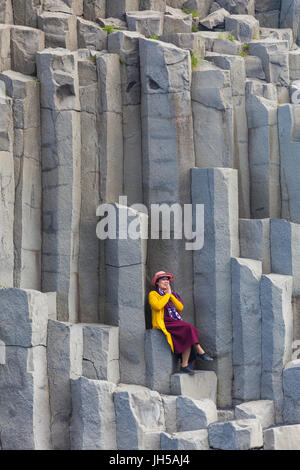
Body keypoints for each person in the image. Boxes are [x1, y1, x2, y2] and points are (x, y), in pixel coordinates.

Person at [148, 270, 213, 375]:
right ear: (157, 282)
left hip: (175, 321)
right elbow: (157, 306)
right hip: (164, 322)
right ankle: (200, 352)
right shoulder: (153, 294)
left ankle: (185, 365)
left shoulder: (173, 294)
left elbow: (180, 307)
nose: (166, 282)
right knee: (188, 328)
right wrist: (167, 295)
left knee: (188, 332)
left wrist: (170, 295)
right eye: (163, 279)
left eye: (167, 280)